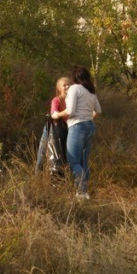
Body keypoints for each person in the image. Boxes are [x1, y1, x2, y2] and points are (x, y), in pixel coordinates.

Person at [55, 66, 101, 199]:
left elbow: (70, 111)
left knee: (73, 162)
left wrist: (57, 115)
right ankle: (84, 192)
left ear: (75, 77)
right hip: (90, 126)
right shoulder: (91, 91)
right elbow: (97, 110)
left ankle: (81, 192)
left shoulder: (74, 88)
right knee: (83, 162)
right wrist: (87, 118)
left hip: (77, 127)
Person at [35, 76, 71, 172]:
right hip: (51, 130)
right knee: (41, 155)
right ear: (59, 88)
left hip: (65, 132)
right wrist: (65, 112)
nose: (67, 87)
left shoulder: (73, 101)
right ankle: (37, 179)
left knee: (63, 156)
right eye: (64, 85)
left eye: (69, 84)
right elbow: (54, 114)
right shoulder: (56, 100)